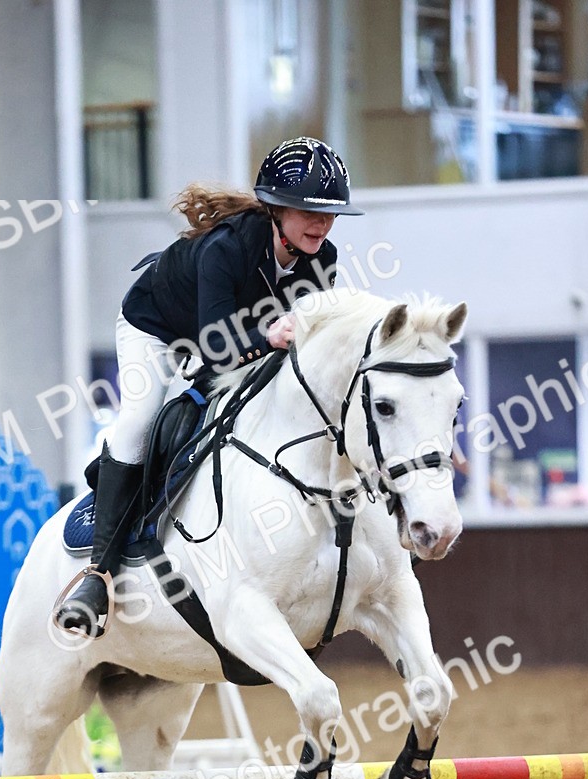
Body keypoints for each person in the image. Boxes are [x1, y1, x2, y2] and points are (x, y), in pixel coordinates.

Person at [57, 136, 364, 635]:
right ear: (275, 209)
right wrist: (270, 334)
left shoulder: (320, 259)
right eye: (309, 211)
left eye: (330, 214)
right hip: (157, 328)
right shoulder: (226, 248)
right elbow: (216, 345)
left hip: (229, 335)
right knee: (139, 420)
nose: (322, 223)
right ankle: (99, 573)